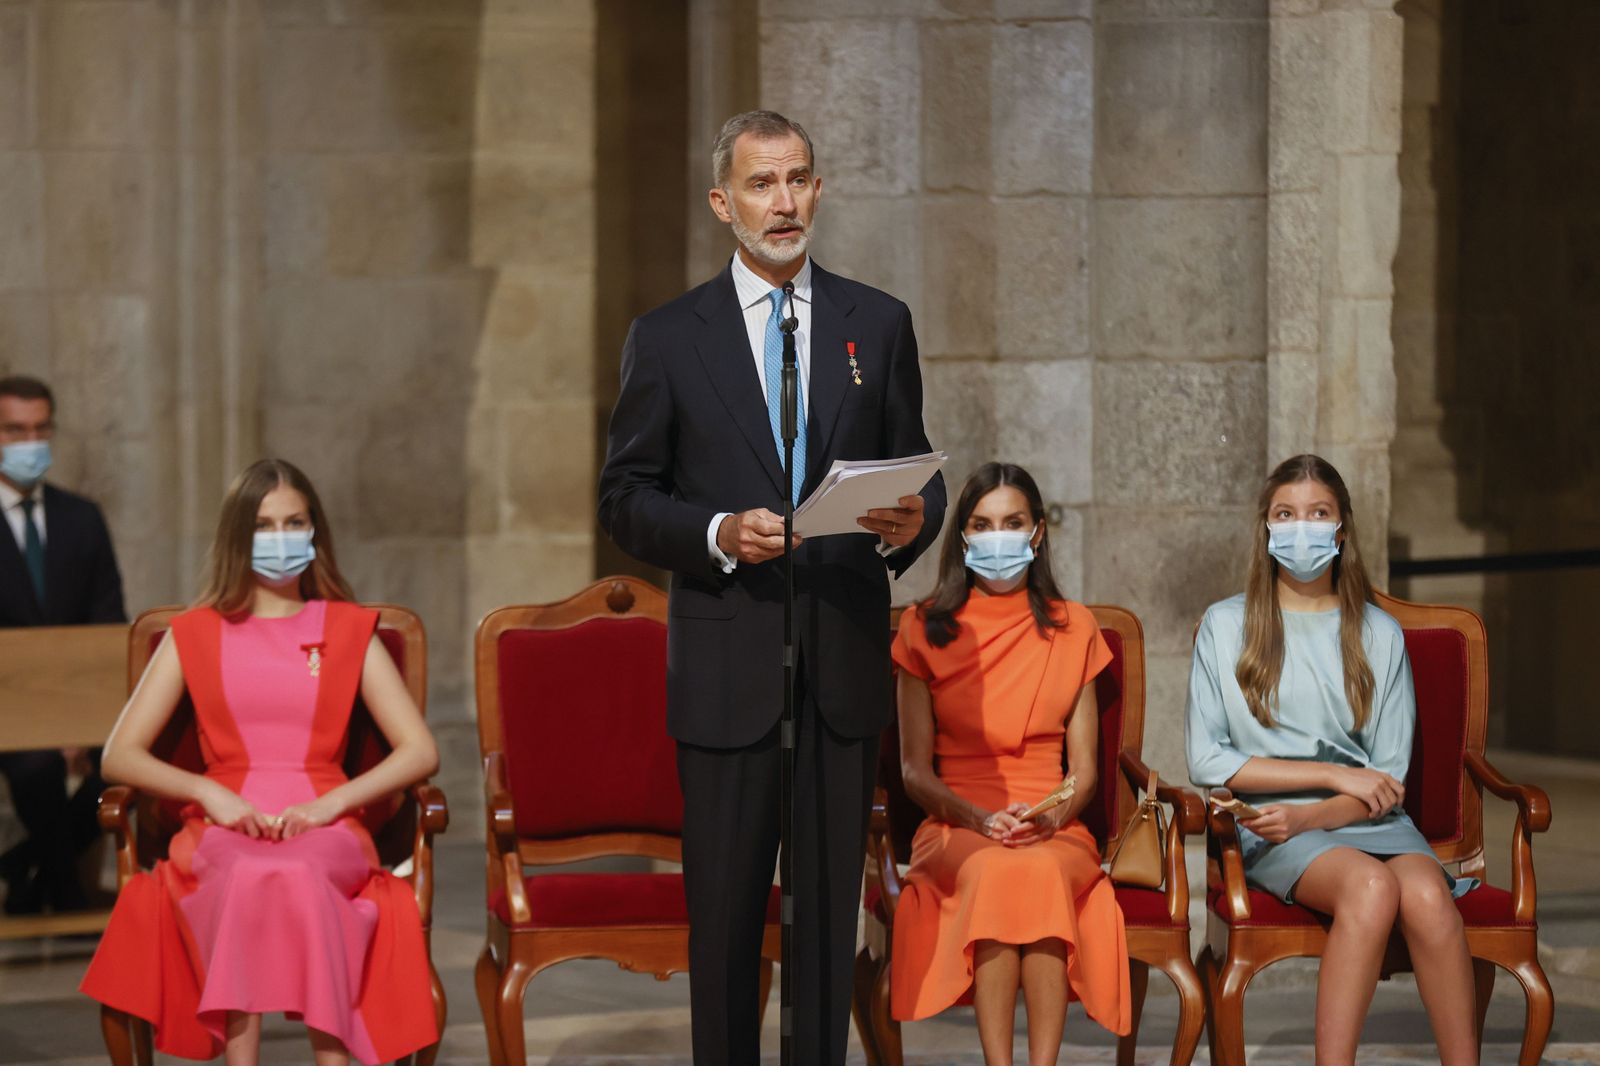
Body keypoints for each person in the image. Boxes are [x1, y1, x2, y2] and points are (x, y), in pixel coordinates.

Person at [597, 109, 946, 1065]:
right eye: (761, 184)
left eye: (797, 180)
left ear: (819, 188)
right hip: (727, 668)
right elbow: (624, 498)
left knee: (828, 928)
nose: (783, 202)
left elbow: (918, 471)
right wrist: (715, 530)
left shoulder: (877, 323)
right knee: (725, 924)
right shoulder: (668, 339)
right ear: (723, 202)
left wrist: (915, 520)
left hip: (837, 668)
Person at [79, 459, 439, 1066]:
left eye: (293, 522)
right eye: (264, 524)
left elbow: (420, 750)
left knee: (299, 874)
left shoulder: (351, 630)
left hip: (327, 818)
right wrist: (209, 793)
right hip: (222, 818)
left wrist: (332, 804)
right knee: (246, 875)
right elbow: (119, 755)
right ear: (236, 537)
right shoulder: (192, 633)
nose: (280, 538)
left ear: (314, 530)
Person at [1185, 453, 1480, 1066]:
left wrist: (1319, 811)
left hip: (1368, 819)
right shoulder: (1225, 624)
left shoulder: (1377, 633)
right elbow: (1208, 759)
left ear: (1341, 528)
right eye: (1285, 514)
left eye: (1318, 513)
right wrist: (1325, 776)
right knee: (1371, 888)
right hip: (1270, 823)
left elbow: (1387, 778)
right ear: (1265, 529)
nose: (1301, 528)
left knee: (1428, 899)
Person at [890, 463, 1129, 1066]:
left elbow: (1084, 774)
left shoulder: (1074, 629)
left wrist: (1049, 817)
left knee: (1037, 871)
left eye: (1012, 523)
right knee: (1000, 872)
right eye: (983, 524)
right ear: (963, 538)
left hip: (1051, 822)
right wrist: (977, 818)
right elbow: (914, 771)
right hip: (953, 825)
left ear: (1038, 533)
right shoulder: (922, 628)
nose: (998, 536)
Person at [0, 374, 126, 914]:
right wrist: (41, 719)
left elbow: (107, 622)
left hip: (82, 706)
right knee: (35, 768)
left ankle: (24, 869)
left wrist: (75, 721)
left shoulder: (82, 518)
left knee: (127, 763)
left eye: (39, 429)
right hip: (8, 711)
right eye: (14, 430)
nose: (29, 443)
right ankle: (65, 890)